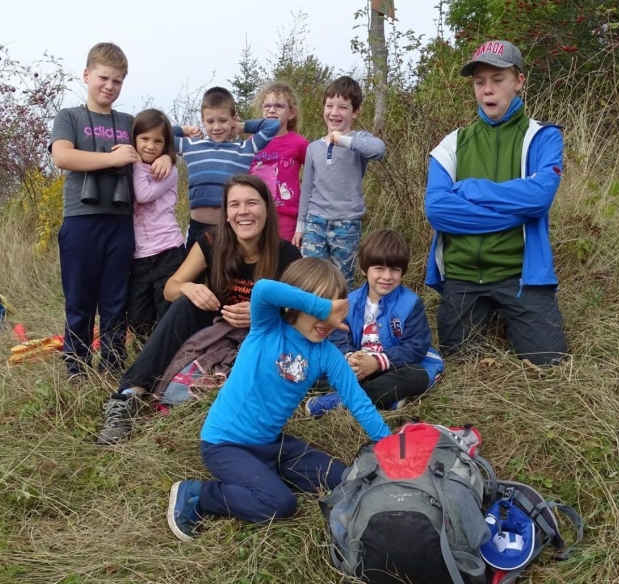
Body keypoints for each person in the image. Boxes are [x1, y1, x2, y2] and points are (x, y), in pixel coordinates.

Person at [165, 257, 392, 541]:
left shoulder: (326, 354)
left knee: (346, 479)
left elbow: (358, 401)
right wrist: (323, 307)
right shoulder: (267, 327)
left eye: (336, 310)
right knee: (280, 503)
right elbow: (263, 289)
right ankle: (199, 495)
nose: (328, 321)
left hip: (272, 445)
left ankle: (266, 475)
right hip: (225, 444)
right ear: (297, 304)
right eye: (322, 308)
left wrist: (390, 448)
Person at [97, 174, 302, 445]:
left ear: (266, 209)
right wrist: (188, 288)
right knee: (184, 304)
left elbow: (302, 311)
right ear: (226, 213)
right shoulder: (210, 242)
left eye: (252, 203)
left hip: (259, 336)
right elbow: (171, 287)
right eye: (234, 204)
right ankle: (128, 397)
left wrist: (263, 315)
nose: (243, 212)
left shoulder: (286, 255)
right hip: (215, 324)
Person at [424, 40, 568, 367]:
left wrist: (471, 188)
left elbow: (539, 197)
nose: (487, 90)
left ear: (519, 81)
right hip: (462, 275)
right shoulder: (453, 144)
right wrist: (515, 214)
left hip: (518, 274)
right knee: (460, 364)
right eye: (479, 82)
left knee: (549, 362)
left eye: (497, 80)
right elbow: (437, 210)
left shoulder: (543, 137)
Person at [49, 42, 172, 377]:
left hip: (120, 222)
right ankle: (76, 366)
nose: (109, 86)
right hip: (81, 220)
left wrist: (164, 155)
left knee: (115, 299)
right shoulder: (69, 116)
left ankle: (113, 363)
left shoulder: (128, 122)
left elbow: (158, 137)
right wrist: (112, 159)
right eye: (103, 78)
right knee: (80, 298)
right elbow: (62, 156)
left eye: (117, 81)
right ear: (87, 75)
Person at [309, 229, 443, 415]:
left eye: (394, 270)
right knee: (313, 368)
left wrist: (377, 363)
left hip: (393, 366)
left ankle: (339, 401)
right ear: (365, 269)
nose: (387, 276)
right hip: (358, 366)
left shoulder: (411, 303)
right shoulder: (349, 301)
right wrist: (350, 358)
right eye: (379, 268)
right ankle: (387, 399)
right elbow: (338, 337)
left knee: (415, 375)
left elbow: (416, 346)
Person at [295, 76, 386, 287]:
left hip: (347, 223)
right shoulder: (313, 148)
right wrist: (301, 225)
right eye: (329, 106)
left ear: (355, 112)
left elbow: (379, 150)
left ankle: (340, 320)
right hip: (315, 222)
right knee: (310, 278)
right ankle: (310, 318)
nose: (334, 113)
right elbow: (307, 188)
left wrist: (343, 140)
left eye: (343, 107)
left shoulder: (359, 141)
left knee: (342, 279)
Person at [174, 87, 280, 246]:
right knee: (194, 271)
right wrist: (185, 130)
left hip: (231, 229)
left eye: (223, 120)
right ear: (202, 121)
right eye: (210, 121)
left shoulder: (245, 148)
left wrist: (240, 126)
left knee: (230, 271)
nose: (216, 127)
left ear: (233, 119)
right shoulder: (191, 145)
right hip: (198, 228)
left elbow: (272, 125)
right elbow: (160, 132)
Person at [127, 109, 185, 340]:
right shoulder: (126, 165)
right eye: (144, 139)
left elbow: (143, 194)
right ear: (134, 139)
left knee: (166, 311)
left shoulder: (168, 171)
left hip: (167, 251)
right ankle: (145, 355)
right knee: (138, 317)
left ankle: (166, 361)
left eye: (158, 141)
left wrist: (168, 158)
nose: (151, 146)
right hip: (139, 255)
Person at [249, 82, 309, 242]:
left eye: (278, 106)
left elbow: (313, 175)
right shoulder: (252, 142)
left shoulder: (299, 143)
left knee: (284, 260)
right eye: (266, 106)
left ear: (291, 113)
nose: (271, 110)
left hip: (286, 215)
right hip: (255, 212)